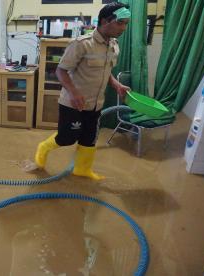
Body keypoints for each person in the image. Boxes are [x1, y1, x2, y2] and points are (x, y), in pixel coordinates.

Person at [34, 2, 131, 180]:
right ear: (104, 21)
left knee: (89, 138)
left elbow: (106, 71)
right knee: (66, 138)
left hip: (96, 104)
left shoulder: (114, 45)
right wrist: (74, 92)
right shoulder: (81, 44)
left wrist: (116, 84)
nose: (123, 27)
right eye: (120, 22)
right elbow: (60, 71)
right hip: (73, 103)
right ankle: (43, 148)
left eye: (126, 23)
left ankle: (82, 169)